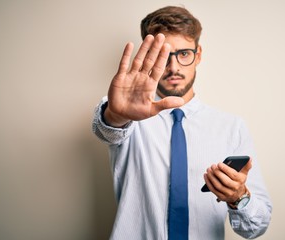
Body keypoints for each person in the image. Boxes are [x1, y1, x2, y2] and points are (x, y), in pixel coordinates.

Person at [92, 5, 272, 240]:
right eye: (163, 56)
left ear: (198, 55)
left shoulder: (232, 128)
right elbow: (108, 131)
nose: (174, 67)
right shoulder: (129, 116)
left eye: (184, 54)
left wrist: (239, 197)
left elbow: (256, 227)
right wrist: (116, 116)